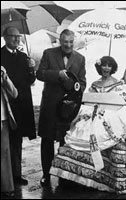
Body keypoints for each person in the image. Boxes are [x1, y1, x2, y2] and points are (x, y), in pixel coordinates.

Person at [50, 56, 126, 194]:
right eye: (103, 65)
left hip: (113, 113)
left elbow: (122, 104)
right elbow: (88, 102)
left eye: (109, 66)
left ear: (112, 68)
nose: (106, 68)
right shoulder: (94, 85)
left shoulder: (119, 85)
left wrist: (106, 110)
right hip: (94, 113)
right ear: (99, 67)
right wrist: (89, 111)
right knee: (81, 129)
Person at [36, 29, 86, 186]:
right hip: (50, 106)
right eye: (66, 42)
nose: (69, 45)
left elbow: (83, 83)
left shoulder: (80, 58)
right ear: (60, 41)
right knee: (47, 141)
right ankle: (46, 174)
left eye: (71, 42)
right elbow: (40, 74)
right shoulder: (48, 53)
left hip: (69, 109)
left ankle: (65, 176)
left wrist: (73, 85)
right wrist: (58, 74)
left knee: (66, 142)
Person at [1, 27, 36, 185]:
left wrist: (31, 69)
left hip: (22, 104)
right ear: (5, 37)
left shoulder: (24, 57)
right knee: (5, 142)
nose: (17, 39)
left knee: (17, 141)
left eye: (18, 36)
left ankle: (16, 174)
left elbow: (30, 81)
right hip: (6, 104)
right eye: (13, 36)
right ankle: (5, 177)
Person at [1, 66, 18, 197]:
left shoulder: (2, 71)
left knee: (4, 154)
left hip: (3, 119)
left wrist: (5, 78)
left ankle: (7, 188)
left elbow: (14, 93)